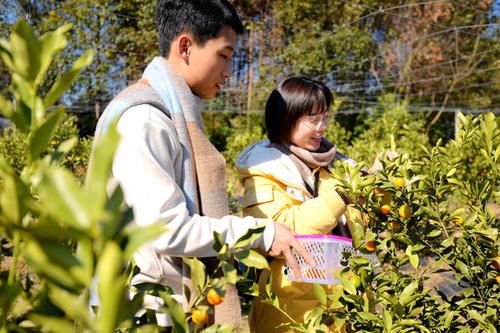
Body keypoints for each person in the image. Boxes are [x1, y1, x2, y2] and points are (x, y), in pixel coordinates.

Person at [91, 1, 314, 329]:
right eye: (224, 55)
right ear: (185, 47)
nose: (228, 71)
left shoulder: (169, 115)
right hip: (142, 311)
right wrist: (260, 233)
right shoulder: (145, 120)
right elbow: (167, 228)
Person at [236, 76, 392, 332]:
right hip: (293, 310)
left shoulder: (339, 168)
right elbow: (280, 227)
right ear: (286, 118)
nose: (322, 127)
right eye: (313, 118)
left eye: (325, 117)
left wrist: (383, 186)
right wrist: (341, 196)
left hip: (348, 306)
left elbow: (364, 228)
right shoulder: (264, 169)